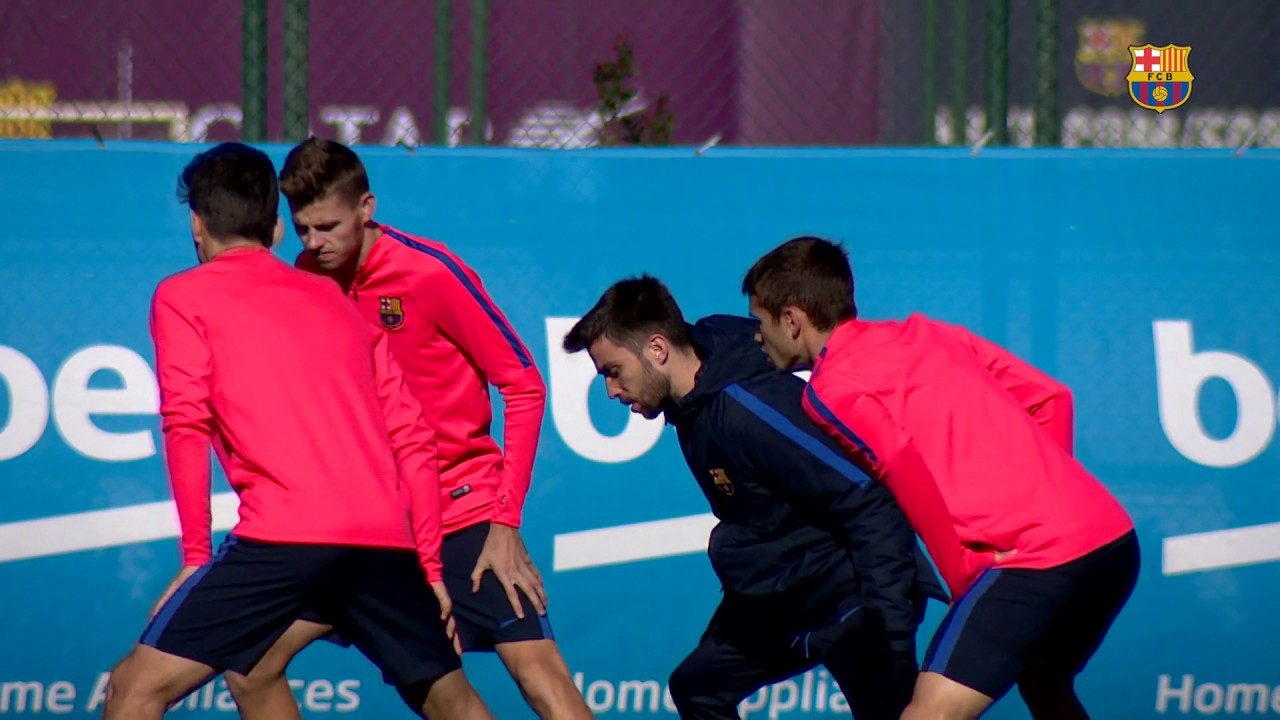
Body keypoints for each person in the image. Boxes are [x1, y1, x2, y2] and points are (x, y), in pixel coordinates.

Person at [101, 142, 494, 720]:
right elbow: (413, 438)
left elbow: (185, 423)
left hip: (283, 540)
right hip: (382, 541)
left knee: (134, 688)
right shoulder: (336, 300)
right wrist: (428, 566)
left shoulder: (181, 296)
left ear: (196, 223)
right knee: (269, 671)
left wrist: (194, 555)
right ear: (277, 228)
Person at [222, 137, 592, 720]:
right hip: (373, 528)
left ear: (366, 207)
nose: (315, 244)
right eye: (302, 229)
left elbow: (524, 385)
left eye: (328, 226)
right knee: (251, 665)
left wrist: (504, 521)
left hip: (464, 512)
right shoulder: (307, 279)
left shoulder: (429, 272)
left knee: (539, 675)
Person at [740, 235, 1140, 720]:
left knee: (931, 713)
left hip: (1035, 561)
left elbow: (900, 461)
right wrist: (1047, 505)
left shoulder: (829, 389)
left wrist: (962, 573)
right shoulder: (927, 332)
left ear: (792, 319)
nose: (756, 336)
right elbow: (1052, 398)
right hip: (1112, 542)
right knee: (1044, 683)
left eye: (759, 321)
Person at [560, 274, 947, 720]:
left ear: (657, 350)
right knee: (697, 688)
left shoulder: (749, 409)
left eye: (613, 371)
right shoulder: (692, 400)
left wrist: (889, 627)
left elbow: (867, 497)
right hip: (779, 595)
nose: (610, 390)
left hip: (850, 597)